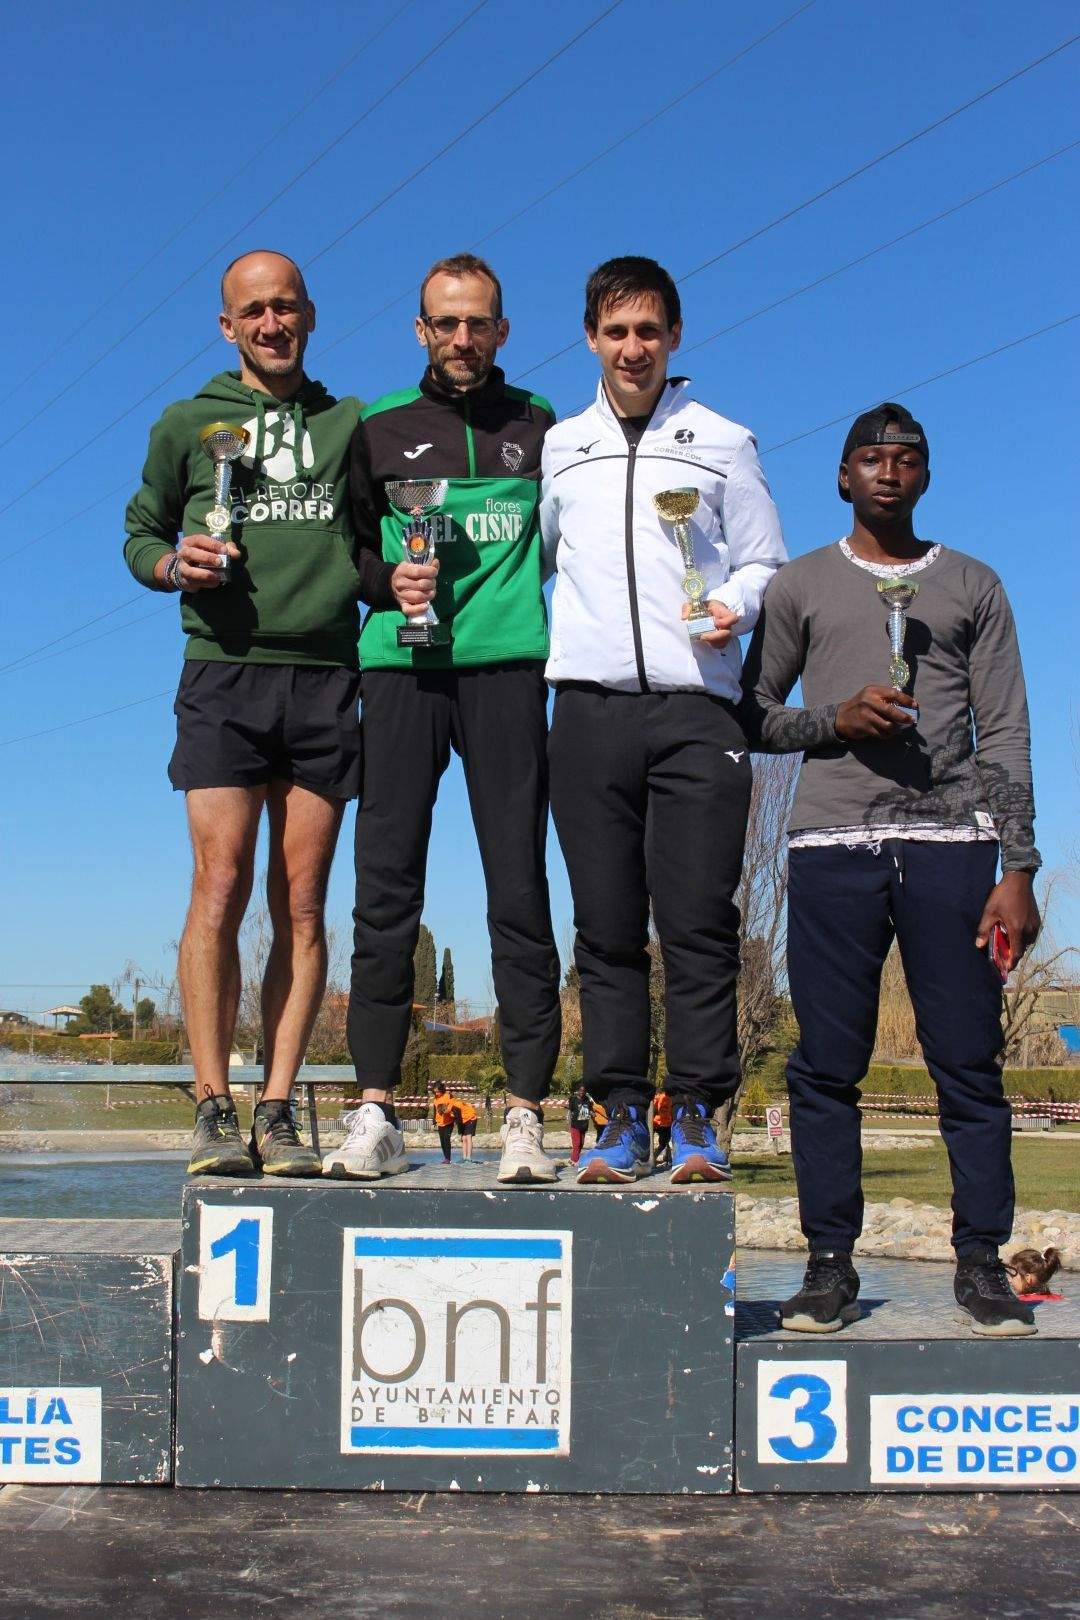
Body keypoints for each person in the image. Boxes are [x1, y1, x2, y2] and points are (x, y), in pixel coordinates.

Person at [739, 401, 1042, 1337]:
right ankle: (829, 1265)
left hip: (954, 847)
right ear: (842, 476)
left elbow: (1006, 728)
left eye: (906, 458)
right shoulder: (799, 585)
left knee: (968, 1061)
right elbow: (750, 714)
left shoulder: (973, 584)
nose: (888, 470)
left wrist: (1019, 867)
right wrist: (832, 720)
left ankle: (981, 1263)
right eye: (870, 458)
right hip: (832, 846)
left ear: (926, 476)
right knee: (827, 1065)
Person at [125, 249, 404, 1180]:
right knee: (219, 885)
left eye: (286, 307)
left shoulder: (351, 423)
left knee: (303, 904)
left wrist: (402, 581)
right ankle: (213, 1108)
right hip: (223, 675)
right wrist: (174, 564)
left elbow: (374, 541)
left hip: (326, 679)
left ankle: (277, 1112)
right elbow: (139, 533)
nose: (272, 324)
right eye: (254, 311)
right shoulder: (185, 423)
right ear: (227, 325)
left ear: (311, 315)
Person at [540, 255, 786, 1186]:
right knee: (604, 928)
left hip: (696, 710)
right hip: (588, 710)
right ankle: (617, 1115)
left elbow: (765, 564)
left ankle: (694, 1112)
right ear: (591, 340)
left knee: (697, 923)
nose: (633, 347)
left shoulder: (723, 440)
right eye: (616, 331)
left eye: (648, 330)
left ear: (675, 336)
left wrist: (734, 604)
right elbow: (542, 562)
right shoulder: (562, 447)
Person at [334, 253, 562, 1187]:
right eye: (446, 322)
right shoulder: (378, 425)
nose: (462, 338)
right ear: (420, 330)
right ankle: (375, 1109)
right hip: (401, 670)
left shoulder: (542, 424)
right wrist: (385, 581)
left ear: (502, 330)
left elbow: (569, 541)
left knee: (519, 887)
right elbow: (347, 549)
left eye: (478, 323)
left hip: (508, 671)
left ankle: (526, 1116)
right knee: (386, 888)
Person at [566, 1083, 593, 1164]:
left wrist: (592, 1113)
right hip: (575, 1125)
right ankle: (574, 1160)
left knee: (581, 1144)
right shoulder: (573, 1099)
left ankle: (573, 1159)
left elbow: (589, 1110)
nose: (582, 1092)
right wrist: (568, 1122)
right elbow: (569, 1111)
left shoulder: (587, 1100)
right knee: (576, 1143)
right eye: (580, 1090)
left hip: (584, 1125)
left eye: (583, 1091)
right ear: (577, 1091)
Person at [652, 1089, 674, 1168]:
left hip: (657, 1122)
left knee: (663, 1143)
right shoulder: (667, 1098)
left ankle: (654, 1158)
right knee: (664, 1143)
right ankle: (654, 1157)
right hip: (664, 1124)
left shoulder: (657, 1097)